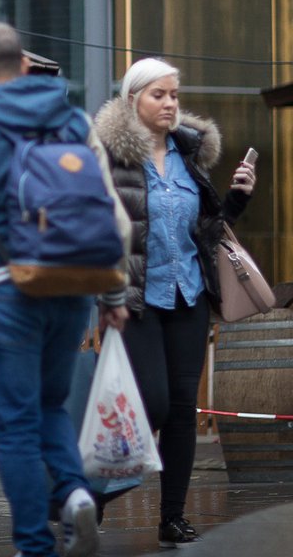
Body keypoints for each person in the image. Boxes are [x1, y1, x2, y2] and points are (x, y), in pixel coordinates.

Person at [0, 23, 130, 557]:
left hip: (4, 288)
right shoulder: (75, 122)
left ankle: (35, 545)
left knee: (15, 423)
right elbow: (114, 220)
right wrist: (114, 297)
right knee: (53, 405)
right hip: (75, 286)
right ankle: (76, 493)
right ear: (28, 68)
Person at [93, 57, 255, 548]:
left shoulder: (189, 156)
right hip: (135, 300)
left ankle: (173, 517)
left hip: (189, 296)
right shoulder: (109, 158)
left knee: (184, 409)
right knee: (153, 402)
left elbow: (205, 234)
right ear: (132, 101)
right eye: (158, 95)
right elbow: (92, 227)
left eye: (174, 96)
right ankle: (91, 494)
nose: (169, 104)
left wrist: (236, 202)